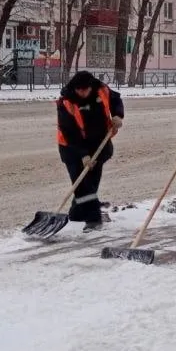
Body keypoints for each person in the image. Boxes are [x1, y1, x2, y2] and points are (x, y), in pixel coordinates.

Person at [56, 71, 124, 231]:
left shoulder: (101, 90)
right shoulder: (66, 102)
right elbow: (69, 131)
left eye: (85, 90)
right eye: (79, 90)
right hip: (71, 148)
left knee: (91, 181)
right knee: (82, 184)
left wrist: (118, 115)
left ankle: (77, 213)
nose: (82, 93)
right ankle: (93, 218)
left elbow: (116, 100)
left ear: (90, 87)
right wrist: (83, 154)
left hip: (99, 143)